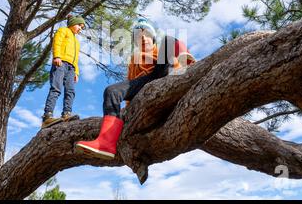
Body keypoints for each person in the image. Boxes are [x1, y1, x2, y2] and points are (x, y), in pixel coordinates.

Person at [75, 18, 196, 159]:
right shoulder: (134, 59)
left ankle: (188, 60)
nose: (143, 38)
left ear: (152, 38)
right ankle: (106, 142)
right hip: (143, 85)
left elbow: (172, 69)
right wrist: (129, 107)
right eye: (138, 37)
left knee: (169, 39)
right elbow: (131, 84)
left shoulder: (159, 50)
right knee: (111, 91)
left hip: (161, 76)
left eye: (146, 35)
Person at [41, 15, 86, 129]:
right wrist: (57, 56)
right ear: (72, 23)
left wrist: (76, 72)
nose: (80, 29)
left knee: (70, 91)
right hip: (60, 63)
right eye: (79, 26)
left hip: (71, 68)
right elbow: (57, 43)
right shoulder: (63, 30)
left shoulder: (76, 40)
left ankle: (67, 114)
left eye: (82, 27)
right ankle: (47, 116)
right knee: (56, 88)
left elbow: (76, 58)